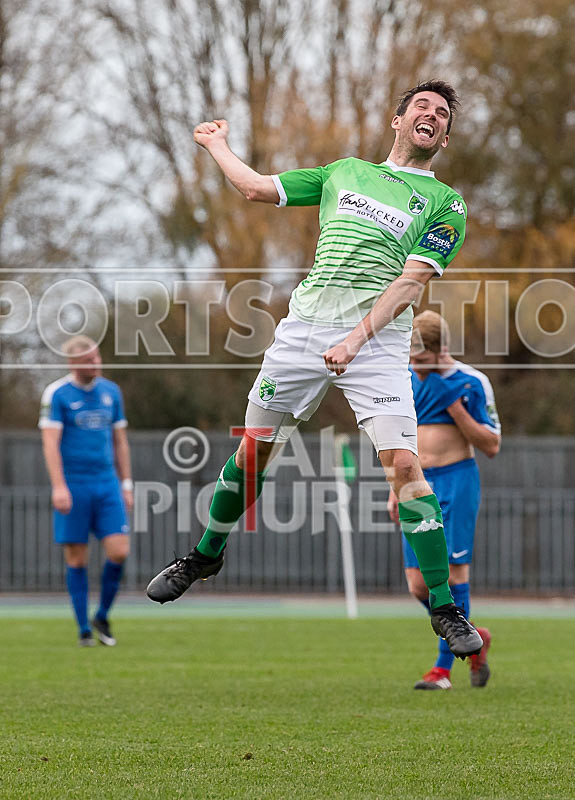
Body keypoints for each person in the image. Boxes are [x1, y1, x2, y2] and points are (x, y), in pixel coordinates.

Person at [147, 80, 483, 658]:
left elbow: (411, 282)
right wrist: (216, 145)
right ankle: (204, 555)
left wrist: (357, 338)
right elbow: (255, 189)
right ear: (397, 120)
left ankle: (446, 611)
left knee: (405, 465)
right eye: (421, 107)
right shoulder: (343, 172)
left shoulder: (445, 202)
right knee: (254, 451)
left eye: (442, 114)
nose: (431, 115)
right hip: (303, 330)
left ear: (445, 138)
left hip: (375, 344)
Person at [388, 310, 501, 689]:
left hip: (457, 481)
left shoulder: (471, 382)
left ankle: (443, 670)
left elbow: (492, 445)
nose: (415, 368)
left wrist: (456, 409)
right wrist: (395, 489)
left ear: (442, 350)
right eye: (411, 360)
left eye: (421, 361)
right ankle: (473, 635)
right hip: (417, 485)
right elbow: (399, 442)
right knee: (418, 585)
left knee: (453, 576)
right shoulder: (404, 380)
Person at [39, 336, 133, 647]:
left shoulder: (111, 392)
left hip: (107, 484)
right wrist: (59, 486)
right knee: (77, 559)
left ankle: (102, 614)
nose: (96, 364)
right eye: (90, 360)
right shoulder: (57, 394)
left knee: (119, 551)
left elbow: (120, 441)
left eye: (97, 357)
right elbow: (50, 442)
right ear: (74, 363)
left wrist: (127, 484)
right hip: (74, 485)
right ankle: (82, 629)